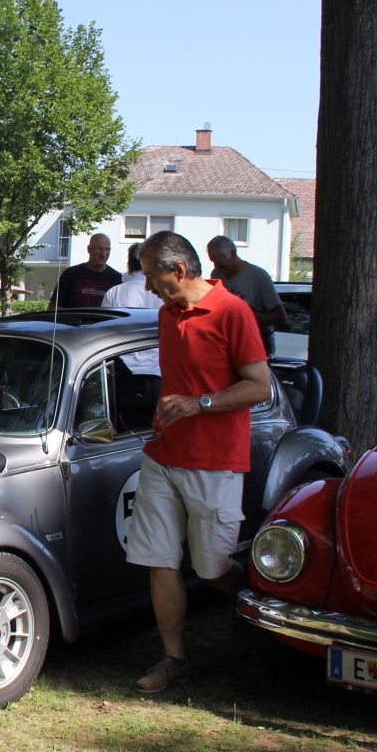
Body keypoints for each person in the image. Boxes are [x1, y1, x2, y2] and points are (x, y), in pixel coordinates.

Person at [128, 230, 269, 692]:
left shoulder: (233, 312)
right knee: (159, 559)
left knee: (212, 568)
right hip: (163, 456)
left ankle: (249, 597)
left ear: (179, 271)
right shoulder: (169, 313)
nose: (147, 286)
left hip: (214, 461)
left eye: (151, 276)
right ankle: (174, 659)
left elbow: (259, 386)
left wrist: (199, 403)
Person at [206, 235, 286, 356]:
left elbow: (280, 317)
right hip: (228, 340)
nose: (217, 267)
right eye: (213, 262)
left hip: (258, 340)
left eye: (220, 263)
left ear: (233, 254)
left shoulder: (258, 276)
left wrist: (244, 316)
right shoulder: (217, 274)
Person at [103, 244, 164, 377]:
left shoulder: (114, 292)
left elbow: (104, 332)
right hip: (156, 370)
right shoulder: (164, 292)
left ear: (129, 263)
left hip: (122, 371)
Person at [49, 233, 122, 310]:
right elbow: (53, 308)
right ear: (88, 249)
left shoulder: (117, 279)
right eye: (99, 249)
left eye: (107, 249)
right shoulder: (70, 274)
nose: (103, 254)